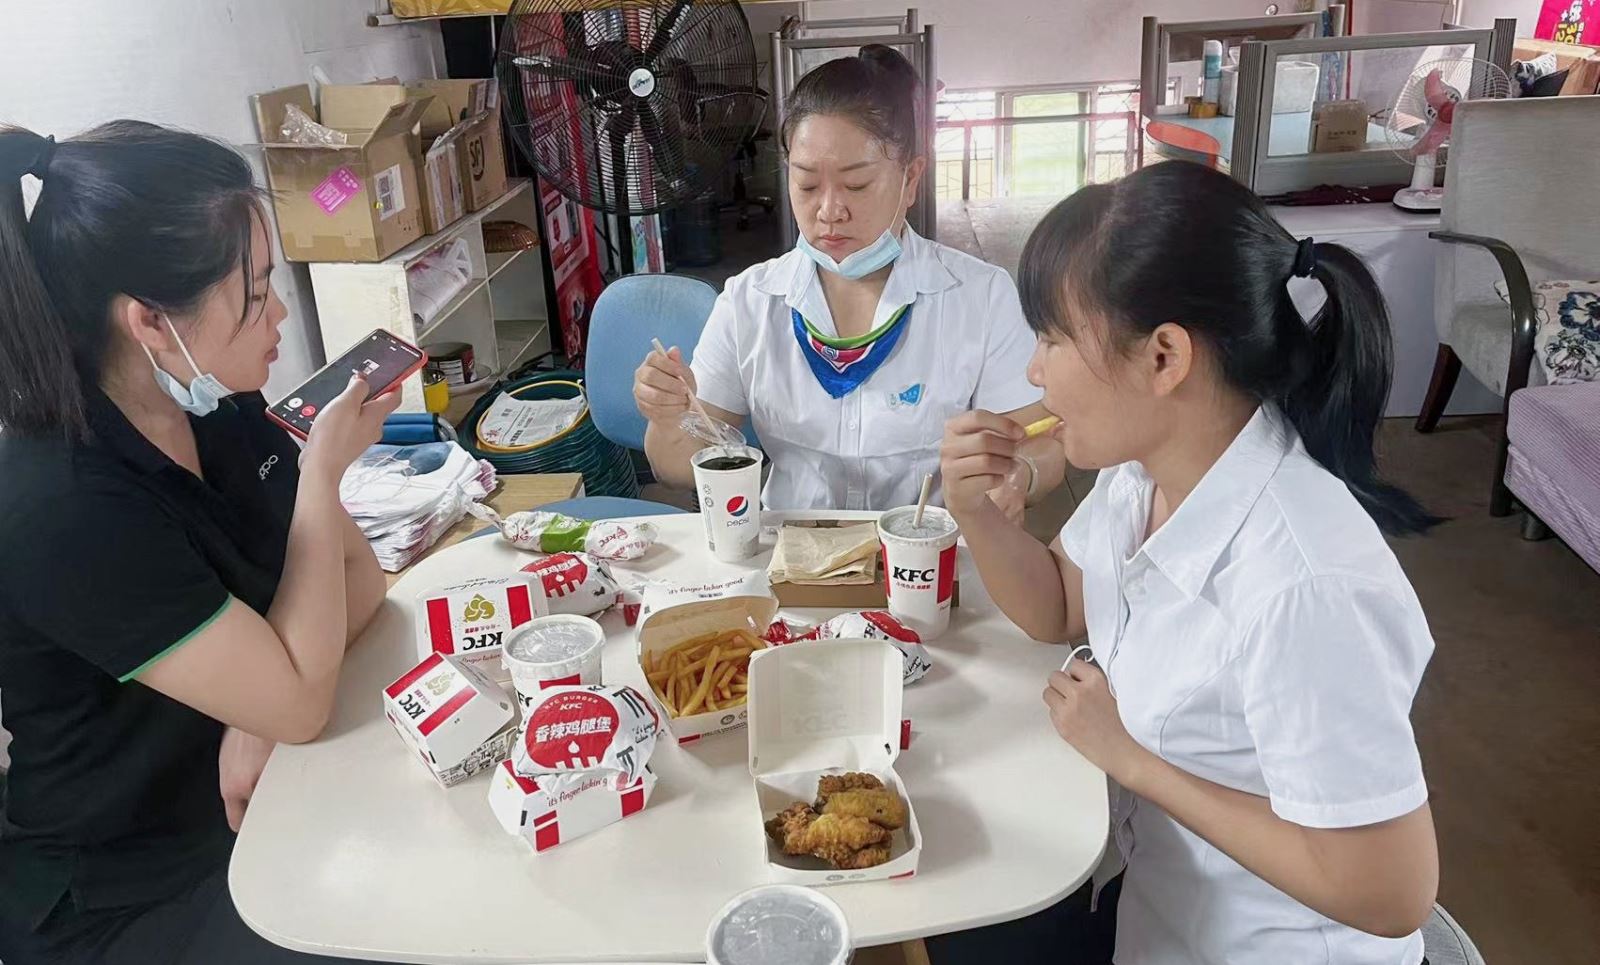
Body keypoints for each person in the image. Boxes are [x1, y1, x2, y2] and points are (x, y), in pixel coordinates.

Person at [938, 162, 1440, 964]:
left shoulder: (1304, 586)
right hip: (1157, 907)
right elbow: (1058, 603)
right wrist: (977, 514)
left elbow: (1389, 891)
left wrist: (1131, 758)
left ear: (1164, 356)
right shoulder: (1143, 473)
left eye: (1054, 339)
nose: (1034, 372)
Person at [0, 123, 398, 964]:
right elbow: (302, 691)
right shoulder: (63, 503)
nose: (278, 314)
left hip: (259, 790)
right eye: (253, 294)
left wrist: (259, 714)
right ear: (149, 320)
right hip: (127, 887)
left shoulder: (219, 406)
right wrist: (321, 474)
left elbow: (362, 584)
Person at [634, 45, 1063, 515]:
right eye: (806, 184)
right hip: (792, 547)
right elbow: (679, 469)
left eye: (856, 185)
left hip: (926, 547)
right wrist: (668, 419)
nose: (829, 211)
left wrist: (1021, 475)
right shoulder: (750, 302)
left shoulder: (979, 297)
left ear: (911, 178)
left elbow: (1039, 442)